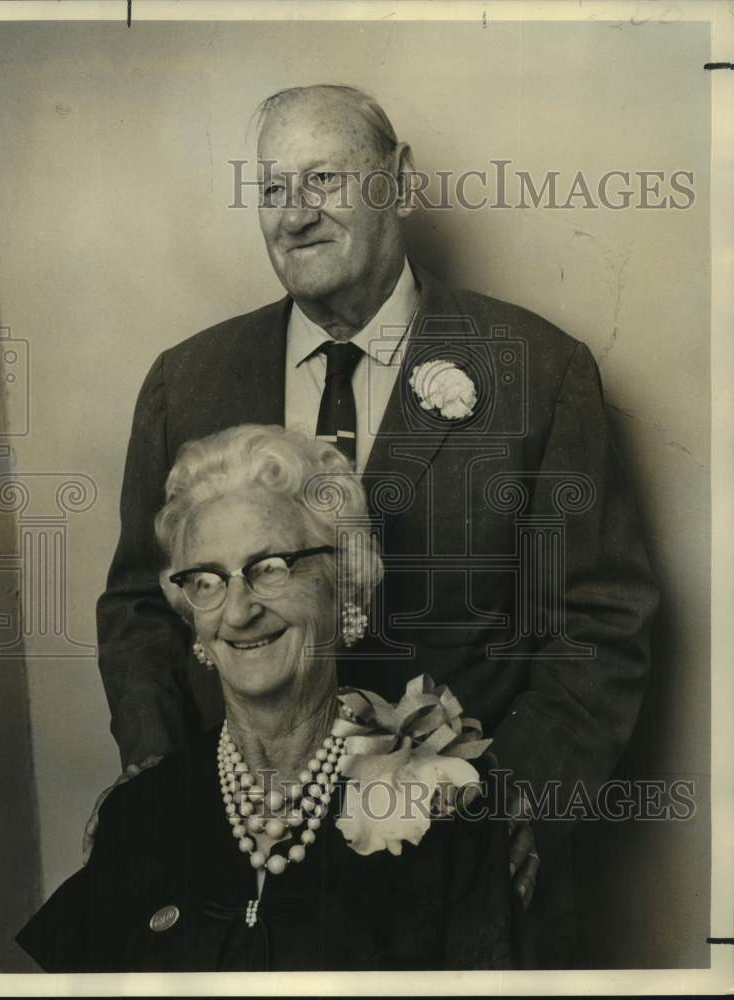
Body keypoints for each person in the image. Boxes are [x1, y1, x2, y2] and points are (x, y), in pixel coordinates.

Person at [96, 84, 658, 966]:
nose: (294, 216)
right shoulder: (189, 381)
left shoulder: (537, 371)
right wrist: (166, 788)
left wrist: (510, 808)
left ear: (396, 181)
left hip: (452, 868)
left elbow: (600, 621)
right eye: (274, 190)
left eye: (322, 178)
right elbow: (138, 604)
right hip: (239, 860)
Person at [17, 426, 516, 972]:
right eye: (207, 580)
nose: (237, 611)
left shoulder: (449, 810)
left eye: (270, 569)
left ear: (342, 585)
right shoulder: (139, 815)